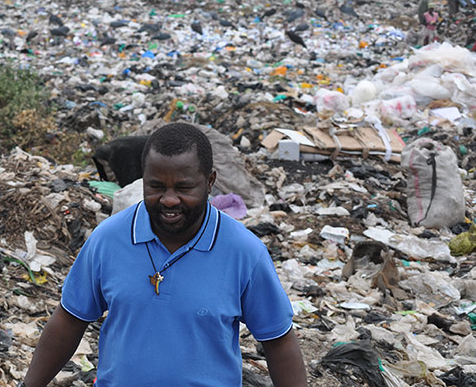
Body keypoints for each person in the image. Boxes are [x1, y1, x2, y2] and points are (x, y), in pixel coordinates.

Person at [21, 123, 307, 387]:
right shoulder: (108, 240)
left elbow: (278, 341)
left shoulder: (244, 252)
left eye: (184, 187)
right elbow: (70, 319)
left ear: (210, 182)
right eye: (156, 186)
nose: (169, 200)